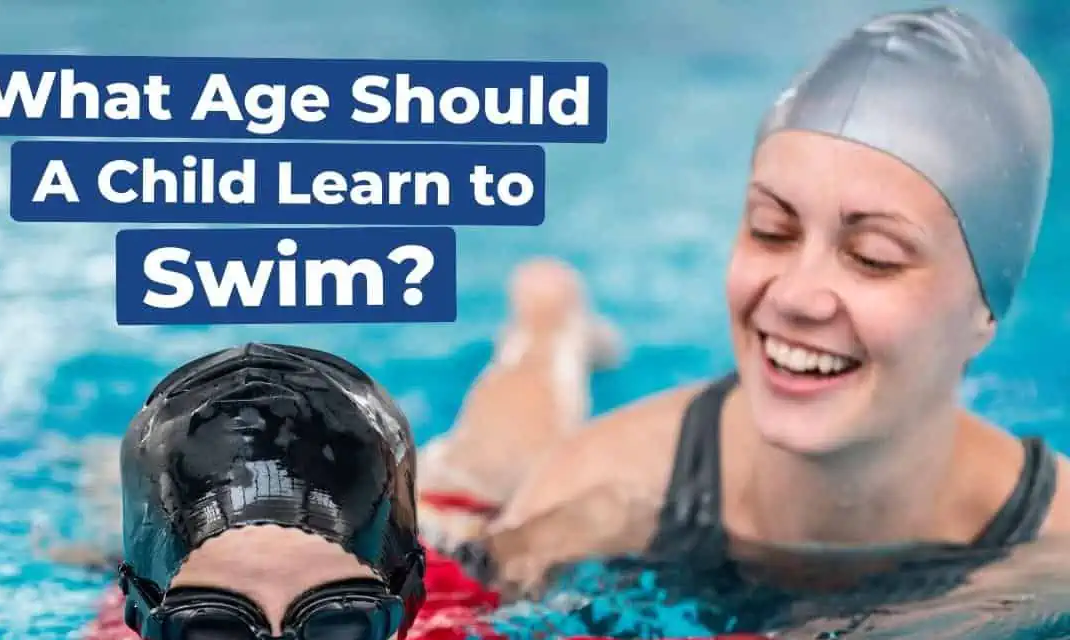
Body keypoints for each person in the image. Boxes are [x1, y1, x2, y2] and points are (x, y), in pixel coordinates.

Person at [0, 261, 778, 640]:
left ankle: (548, 322)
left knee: (498, 457)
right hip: (160, 558)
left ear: (402, 610)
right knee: (114, 505)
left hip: (453, 541)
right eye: (213, 633)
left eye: (339, 626)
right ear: (142, 623)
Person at [448, 7, 1070, 607]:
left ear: (986, 310)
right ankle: (548, 324)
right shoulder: (602, 491)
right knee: (482, 475)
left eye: (874, 256)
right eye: (771, 230)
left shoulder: (1055, 548)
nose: (795, 296)